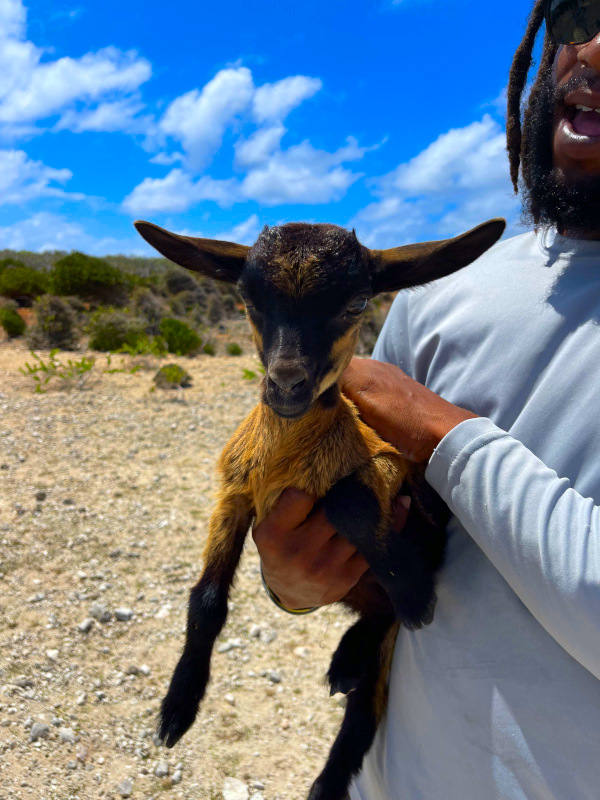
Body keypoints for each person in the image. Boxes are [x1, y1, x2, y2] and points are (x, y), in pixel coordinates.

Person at [252, 0, 600, 797]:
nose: (597, 47)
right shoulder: (440, 298)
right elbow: (374, 537)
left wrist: (447, 435)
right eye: (583, 10)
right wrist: (298, 580)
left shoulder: (415, 383)